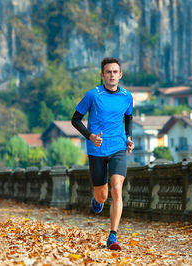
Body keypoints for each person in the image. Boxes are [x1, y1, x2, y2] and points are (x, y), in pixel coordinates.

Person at [71, 57, 134, 250]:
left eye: (115, 72)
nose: (112, 75)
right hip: (97, 150)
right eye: (108, 72)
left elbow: (128, 118)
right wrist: (90, 136)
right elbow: (75, 120)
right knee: (102, 196)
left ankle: (113, 236)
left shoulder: (127, 96)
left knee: (116, 189)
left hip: (118, 148)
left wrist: (129, 138)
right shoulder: (92, 95)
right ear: (102, 75)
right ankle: (96, 199)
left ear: (120, 75)